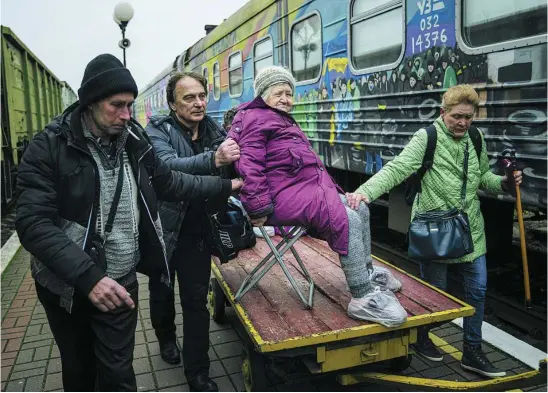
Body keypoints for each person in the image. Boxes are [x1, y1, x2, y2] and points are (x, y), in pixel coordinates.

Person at [15, 54, 242, 392]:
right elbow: (33, 223)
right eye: (116, 105)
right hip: (67, 286)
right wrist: (89, 277)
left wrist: (225, 185)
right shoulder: (48, 147)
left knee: (119, 374)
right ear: (90, 102)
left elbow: (170, 182)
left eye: (130, 105)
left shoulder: (133, 140)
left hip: (121, 281)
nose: (126, 115)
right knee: (79, 369)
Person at [347, 84, 523, 378]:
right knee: (434, 294)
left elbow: (483, 178)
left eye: (468, 117)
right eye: (456, 117)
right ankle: (423, 336)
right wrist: (364, 192)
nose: (462, 123)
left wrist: (505, 182)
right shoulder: (426, 137)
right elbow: (398, 168)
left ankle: (472, 352)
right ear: (443, 113)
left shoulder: (475, 138)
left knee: (477, 292)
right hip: (435, 233)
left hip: (470, 233)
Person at [227, 66, 408, 328]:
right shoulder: (255, 118)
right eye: (279, 92)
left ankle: (367, 273)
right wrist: (258, 208)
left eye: (289, 93)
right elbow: (250, 167)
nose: (286, 99)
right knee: (346, 217)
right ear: (262, 94)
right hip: (276, 199)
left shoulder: (277, 117)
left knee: (360, 207)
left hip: (300, 190)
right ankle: (362, 295)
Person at [145, 71, 239, 392]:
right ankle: (165, 337)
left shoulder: (214, 128)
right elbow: (167, 168)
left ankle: (197, 372)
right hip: (165, 229)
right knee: (161, 292)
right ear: (172, 103)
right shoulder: (157, 130)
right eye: (189, 98)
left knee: (197, 301)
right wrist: (214, 159)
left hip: (198, 230)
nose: (199, 103)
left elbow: (235, 164)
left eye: (202, 96)